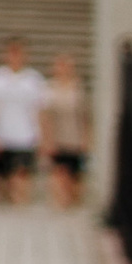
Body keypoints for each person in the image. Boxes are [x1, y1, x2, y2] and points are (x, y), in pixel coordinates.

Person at [0, 31, 47, 206]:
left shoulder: (34, 80)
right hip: (1, 136)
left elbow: (41, 112)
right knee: (3, 181)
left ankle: (22, 208)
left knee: (22, 176)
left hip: (26, 136)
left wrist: (43, 140)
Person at [41, 50, 90, 208]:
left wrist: (87, 139)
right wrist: (47, 140)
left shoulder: (77, 88)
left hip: (74, 137)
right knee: (59, 173)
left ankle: (72, 205)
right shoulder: (50, 88)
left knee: (75, 179)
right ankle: (60, 205)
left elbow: (85, 116)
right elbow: (45, 117)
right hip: (57, 137)